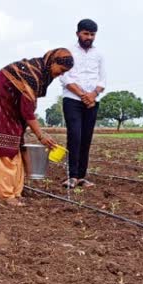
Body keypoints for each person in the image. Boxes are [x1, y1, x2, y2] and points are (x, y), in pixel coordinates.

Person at [0, 49, 74, 206]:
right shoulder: (33, 73)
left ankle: (15, 192)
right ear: (53, 62)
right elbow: (27, 110)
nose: (61, 74)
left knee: (14, 146)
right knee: (2, 147)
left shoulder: (41, 73)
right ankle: (5, 195)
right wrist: (41, 135)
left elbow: (28, 106)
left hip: (10, 104)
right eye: (61, 70)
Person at [60, 19, 106, 189]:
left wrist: (93, 95)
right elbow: (65, 77)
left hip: (92, 102)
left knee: (86, 138)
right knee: (75, 137)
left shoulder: (99, 55)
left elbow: (103, 79)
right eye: (85, 33)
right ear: (78, 33)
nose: (89, 37)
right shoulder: (67, 52)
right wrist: (82, 94)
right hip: (72, 100)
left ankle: (81, 177)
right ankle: (71, 176)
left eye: (92, 34)